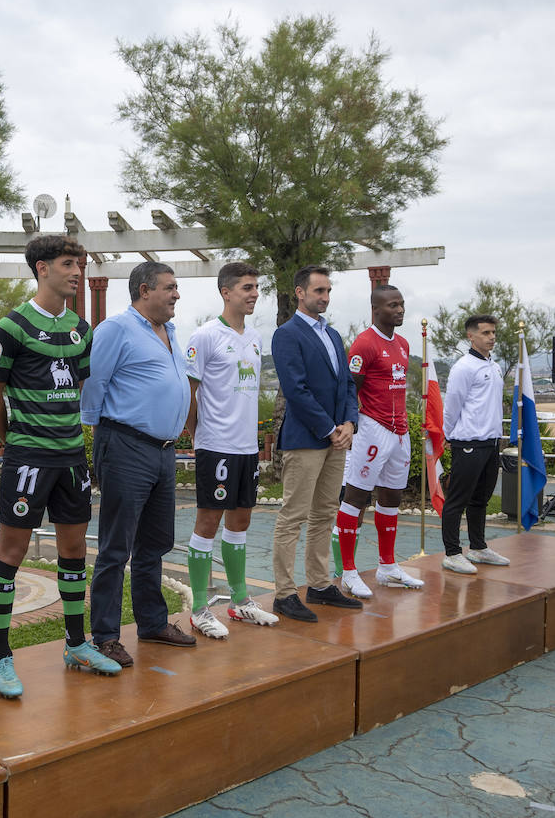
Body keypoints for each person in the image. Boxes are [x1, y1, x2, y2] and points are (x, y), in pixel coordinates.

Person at [0, 234, 120, 698]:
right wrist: (12, 440)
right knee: (12, 552)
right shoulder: (11, 327)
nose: (77, 271)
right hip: (27, 458)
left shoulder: (82, 330)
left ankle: (76, 644)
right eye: (67, 263)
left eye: (79, 264)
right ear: (42, 268)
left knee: (75, 550)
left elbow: (75, 388)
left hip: (70, 457)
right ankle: (0, 659)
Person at [80, 261, 194, 666]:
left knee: (155, 544)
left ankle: (152, 623)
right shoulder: (116, 328)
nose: (176, 294)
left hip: (164, 451)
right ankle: (106, 636)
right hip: (126, 445)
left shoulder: (171, 331)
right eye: (170, 287)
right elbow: (94, 382)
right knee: (116, 547)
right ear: (144, 291)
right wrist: (100, 434)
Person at [182, 262, 279, 638]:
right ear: (226, 292)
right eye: (246, 287)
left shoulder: (254, 337)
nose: (254, 294)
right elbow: (188, 391)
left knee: (241, 520)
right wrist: (195, 433)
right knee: (208, 522)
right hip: (215, 446)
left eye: (256, 288)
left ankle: (240, 602)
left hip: (245, 448)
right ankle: (201, 609)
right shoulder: (205, 336)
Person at [270, 265, 362, 622]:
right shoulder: (287, 334)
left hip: (336, 439)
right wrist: (329, 428)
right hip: (306, 440)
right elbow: (296, 389)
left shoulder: (333, 335)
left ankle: (320, 585)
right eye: (318, 291)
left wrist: (350, 423)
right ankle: (284, 594)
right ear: (300, 292)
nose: (324, 297)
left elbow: (348, 386)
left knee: (326, 513)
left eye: (328, 291)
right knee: (293, 516)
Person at [333, 285, 426, 597]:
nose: (399, 310)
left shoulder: (402, 343)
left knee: (392, 498)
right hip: (372, 429)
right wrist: (349, 425)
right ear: (376, 309)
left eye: (401, 304)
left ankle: (388, 567)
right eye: (392, 305)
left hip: (400, 432)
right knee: (356, 498)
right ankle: (348, 571)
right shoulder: (364, 344)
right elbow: (350, 389)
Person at [441, 315, 511, 573]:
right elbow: (452, 406)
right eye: (486, 333)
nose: (492, 337)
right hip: (468, 441)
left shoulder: (493, 366)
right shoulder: (463, 367)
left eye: (493, 332)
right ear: (471, 336)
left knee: (481, 498)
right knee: (458, 499)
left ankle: (479, 548)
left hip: (491, 443)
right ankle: (452, 552)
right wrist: (449, 436)